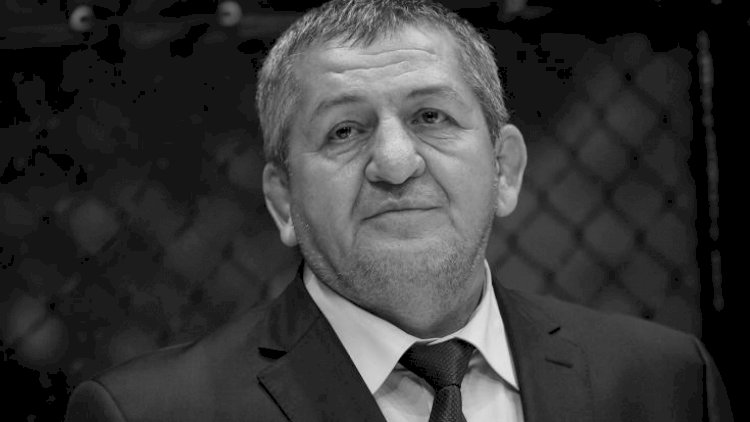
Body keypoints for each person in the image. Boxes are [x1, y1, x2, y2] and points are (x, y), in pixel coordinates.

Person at [65, 0, 733, 421]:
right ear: (283, 200)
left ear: (505, 170)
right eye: (344, 130)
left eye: (431, 116)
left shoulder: (668, 383)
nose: (394, 161)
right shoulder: (149, 413)